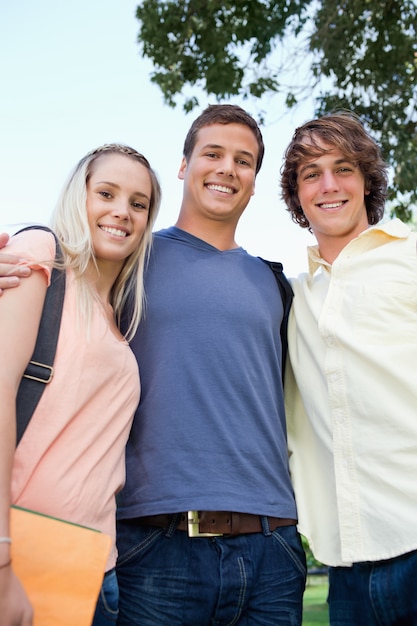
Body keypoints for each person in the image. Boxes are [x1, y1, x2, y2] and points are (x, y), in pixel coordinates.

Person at [0, 104, 306, 625]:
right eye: (212, 153)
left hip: (272, 547)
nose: (227, 168)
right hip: (157, 548)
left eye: (244, 160)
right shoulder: (128, 264)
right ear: (185, 165)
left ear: (256, 181)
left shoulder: (277, 284)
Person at [0, 143, 161, 626]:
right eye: (106, 193)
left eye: (138, 203)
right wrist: (2, 558)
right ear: (79, 197)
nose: (121, 212)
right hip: (23, 555)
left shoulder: (120, 316)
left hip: (94, 569)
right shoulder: (40, 258)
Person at [281, 112, 417, 625]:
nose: (329, 185)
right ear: (297, 194)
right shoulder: (291, 295)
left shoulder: (411, 258)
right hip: (346, 567)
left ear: (367, 181)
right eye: (311, 173)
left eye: (343, 168)